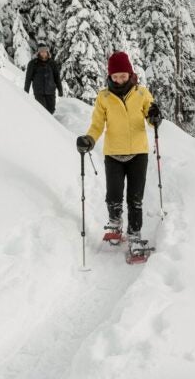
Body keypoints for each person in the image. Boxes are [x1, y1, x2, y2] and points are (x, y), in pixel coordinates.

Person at [76, 51, 163, 245]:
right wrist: (89, 139)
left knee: (135, 197)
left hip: (138, 153)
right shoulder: (104, 96)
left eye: (123, 75)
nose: (120, 80)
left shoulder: (141, 93)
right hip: (113, 153)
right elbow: (97, 124)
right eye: (115, 76)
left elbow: (151, 118)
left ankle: (134, 232)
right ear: (110, 76)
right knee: (113, 194)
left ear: (130, 73)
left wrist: (154, 116)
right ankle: (115, 223)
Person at [24, 43, 63, 114]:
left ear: (48, 52)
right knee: (43, 112)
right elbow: (28, 78)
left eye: (45, 52)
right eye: (42, 52)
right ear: (38, 53)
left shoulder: (52, 63)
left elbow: (57, 78)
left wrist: (60, 90)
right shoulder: (33, 64)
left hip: (51, 92)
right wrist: (25, 92)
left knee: (51, 111)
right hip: (39, 92)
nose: (43, 54)